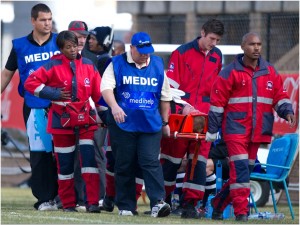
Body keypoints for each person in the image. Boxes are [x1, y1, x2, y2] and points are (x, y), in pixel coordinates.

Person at [206, 32, 296, 222]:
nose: (256, 48)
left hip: (258, 132)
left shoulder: (270, 71)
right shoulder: (229, 72)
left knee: (242, 173)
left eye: (259, 44)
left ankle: (217, 205)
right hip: (235, 131)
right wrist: (212, 131)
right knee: (241, 172)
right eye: (252, 44)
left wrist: (286, 110)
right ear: (242, 47)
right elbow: (217, 104)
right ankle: (241, 212)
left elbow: (279, 96)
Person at [24, 30, 102, 213]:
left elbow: (98, 95)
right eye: (68, 47)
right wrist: (53, 93)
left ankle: (92, 203)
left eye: (75, 46)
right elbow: (30, 83)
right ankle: (68, 204)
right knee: (65, 165)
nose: (73, 50)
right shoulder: (52, 65)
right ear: (60, 49)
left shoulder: (89, 65)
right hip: (61, 121)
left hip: (85, 121)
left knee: (89, 162)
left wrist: (105, 116)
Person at [101, 32, 172, 217]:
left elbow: (165, 97)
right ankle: (126, 205)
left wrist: (165, 122)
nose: (145, 55)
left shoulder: (157, 64)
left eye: (148, 51)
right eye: (141, 51)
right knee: (124, 163)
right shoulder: (116, 63)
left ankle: (158, 202)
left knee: (150, 162)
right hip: (123, 123)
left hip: (150, 124)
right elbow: (106, 88)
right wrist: (114, 107)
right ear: (131, 47)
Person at [160, 18, 225, 218]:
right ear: (202, 32)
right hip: (181, 115)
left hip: (203, 117)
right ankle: (163, 201)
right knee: (172, 160)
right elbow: (168, 88)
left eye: (218, 40)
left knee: (199, 160)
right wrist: (182, 107)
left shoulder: (217, 56)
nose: (214, 43)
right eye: (212, 38)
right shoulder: (181, 53)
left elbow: (216, 88)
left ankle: (190, 204)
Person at [1, 3, 59, 211]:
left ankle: (64, 196)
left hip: (61, 106)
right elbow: (7, 74)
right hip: (34, 107)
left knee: (63, 152)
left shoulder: (61, 42)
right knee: (40, 153)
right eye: (43, 20)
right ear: (33, 21)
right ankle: (45, 198)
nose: (47, 24)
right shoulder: (19, 46)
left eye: (50, 19)